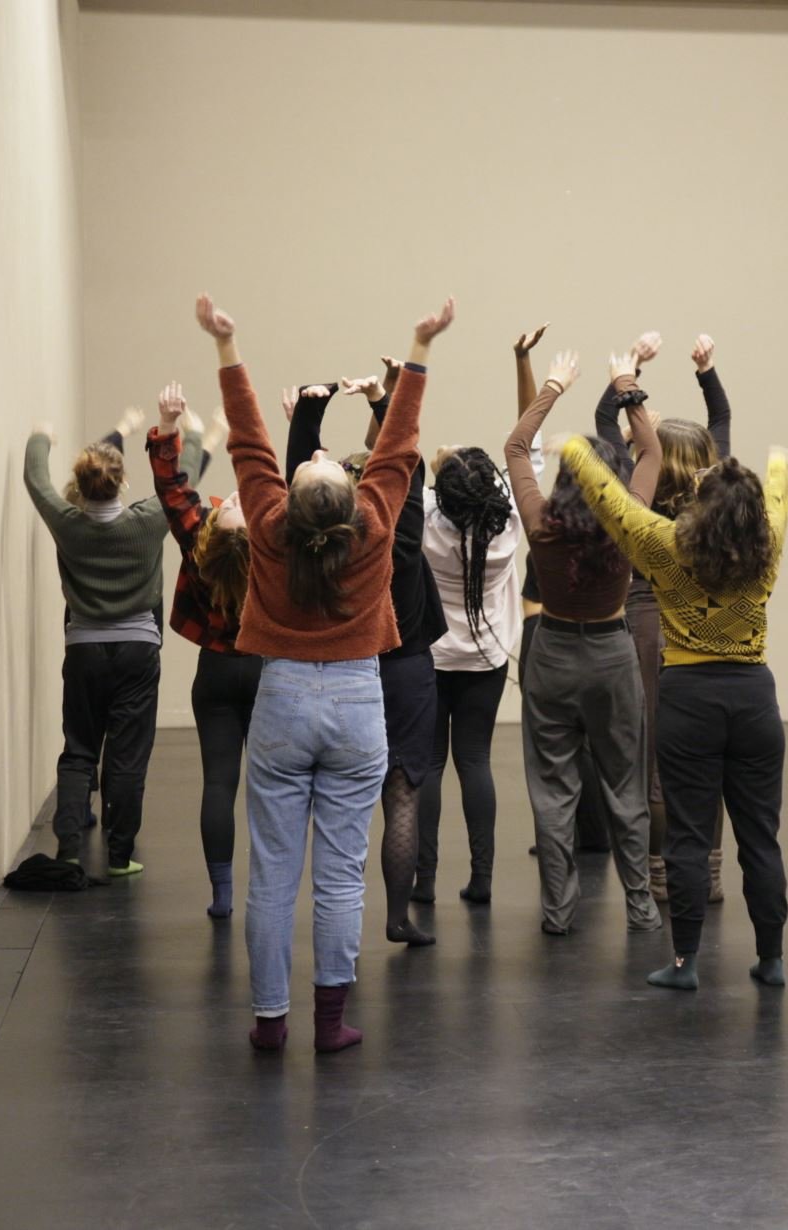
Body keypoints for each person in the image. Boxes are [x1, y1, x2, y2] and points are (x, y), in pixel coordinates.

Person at [197, 289, 453, 1053]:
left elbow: (248, 441)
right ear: (349, 504)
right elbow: (398, 443)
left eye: (311, 463)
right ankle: (330, 1022)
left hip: (281, 698)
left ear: (295, 503)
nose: (314, 454)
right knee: (341, 875)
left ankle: (270, 1022)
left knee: (273, 873)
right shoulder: (371, 526)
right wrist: (419, 346)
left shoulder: (270, 527)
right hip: (355, 701)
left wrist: (226, 346)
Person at [561, 412, 788, 991]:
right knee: (760, 837)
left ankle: (685, 962)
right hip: (754, 699)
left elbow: (614, 504)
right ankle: (771, 959)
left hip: (689, 700)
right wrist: (779, 459)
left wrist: (575, 449)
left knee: (687, 836)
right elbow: (779, 497)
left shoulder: (665, 548)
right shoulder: (766, 549)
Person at [504, 347, 664, 936]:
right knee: (625, 784)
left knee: (553, 790)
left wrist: (552, 386)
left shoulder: (541, 524)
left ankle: (557, 910)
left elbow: (516, 448)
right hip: (611, 656)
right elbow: (653, 451)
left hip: (551, 655)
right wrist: (625, 383)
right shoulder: (629, 519)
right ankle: (641, 905)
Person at [285, 371, 446, 949]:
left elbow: (299, 487)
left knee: (339, 809)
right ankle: (398, 918)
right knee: (402, 795)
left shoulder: (319, 542)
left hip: (344, 671)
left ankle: (337, 931)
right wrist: (383, 398)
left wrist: (311, 411)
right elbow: (407, 463)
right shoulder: (397, 539)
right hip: (405, 672)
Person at [595, 332, 734, 902]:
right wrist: (707, 371)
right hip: (705, 623)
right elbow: (721, 420)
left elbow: (604, 426)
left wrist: (626, 377)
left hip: (648, 625)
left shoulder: (637, 498)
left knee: (655, 756)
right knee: (706, 755)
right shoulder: (717, 496)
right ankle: (712, 873)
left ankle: (659, 876)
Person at [24, 408, 166, 877]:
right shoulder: (147, 521)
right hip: (137, 650)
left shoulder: (68, 524)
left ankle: (67, 849)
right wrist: (177, 431)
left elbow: (35, 479)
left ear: (80, 485)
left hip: (84, 648)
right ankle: (120, 856)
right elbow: (181, 484)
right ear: (122, 483)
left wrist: (41, 436)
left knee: (79, 748)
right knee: (126, 757)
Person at [146, 382, 255, 918]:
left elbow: (172, 488)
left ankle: (222, 894)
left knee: (218, 781)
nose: (231, 497)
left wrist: (169, 426)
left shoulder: (198, 543)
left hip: (215, 673)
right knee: (270, 787)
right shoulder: (272, 560)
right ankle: (269, 886)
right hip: (267, 673)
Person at [412, 435, 524, 906]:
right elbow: (525, 451)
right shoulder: (509, 523)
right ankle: (482, 878)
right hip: (484, 659)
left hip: (432, 656)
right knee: (475, 761)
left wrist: (440, 460)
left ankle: (424, 881)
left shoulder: (424, 520)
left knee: (429, 765)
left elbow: (404, 460)